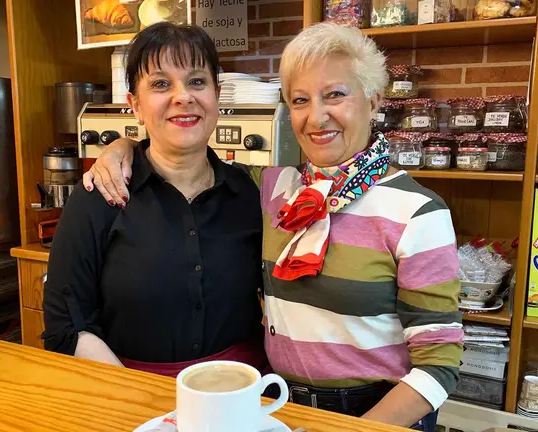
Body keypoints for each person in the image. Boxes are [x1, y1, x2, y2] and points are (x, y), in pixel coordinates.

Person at [85, 23, 463, 432]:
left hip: (376, 413)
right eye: (300, 100)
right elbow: (183, 158)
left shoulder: (417, 211)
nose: (316, 116)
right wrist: (122, 148)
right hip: (279, 404)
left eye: (335, 94)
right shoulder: (273, 189)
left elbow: (440, 364)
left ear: (373, 100)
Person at [42, 22, 268, 377]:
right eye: (161, 84)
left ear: (217, 95)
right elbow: (67, 326)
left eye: (197, 81)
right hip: (132, 397)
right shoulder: (100, 196)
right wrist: (143, 400)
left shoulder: (249, 193)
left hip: (240, 394)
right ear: (135, 105)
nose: (183, 96)